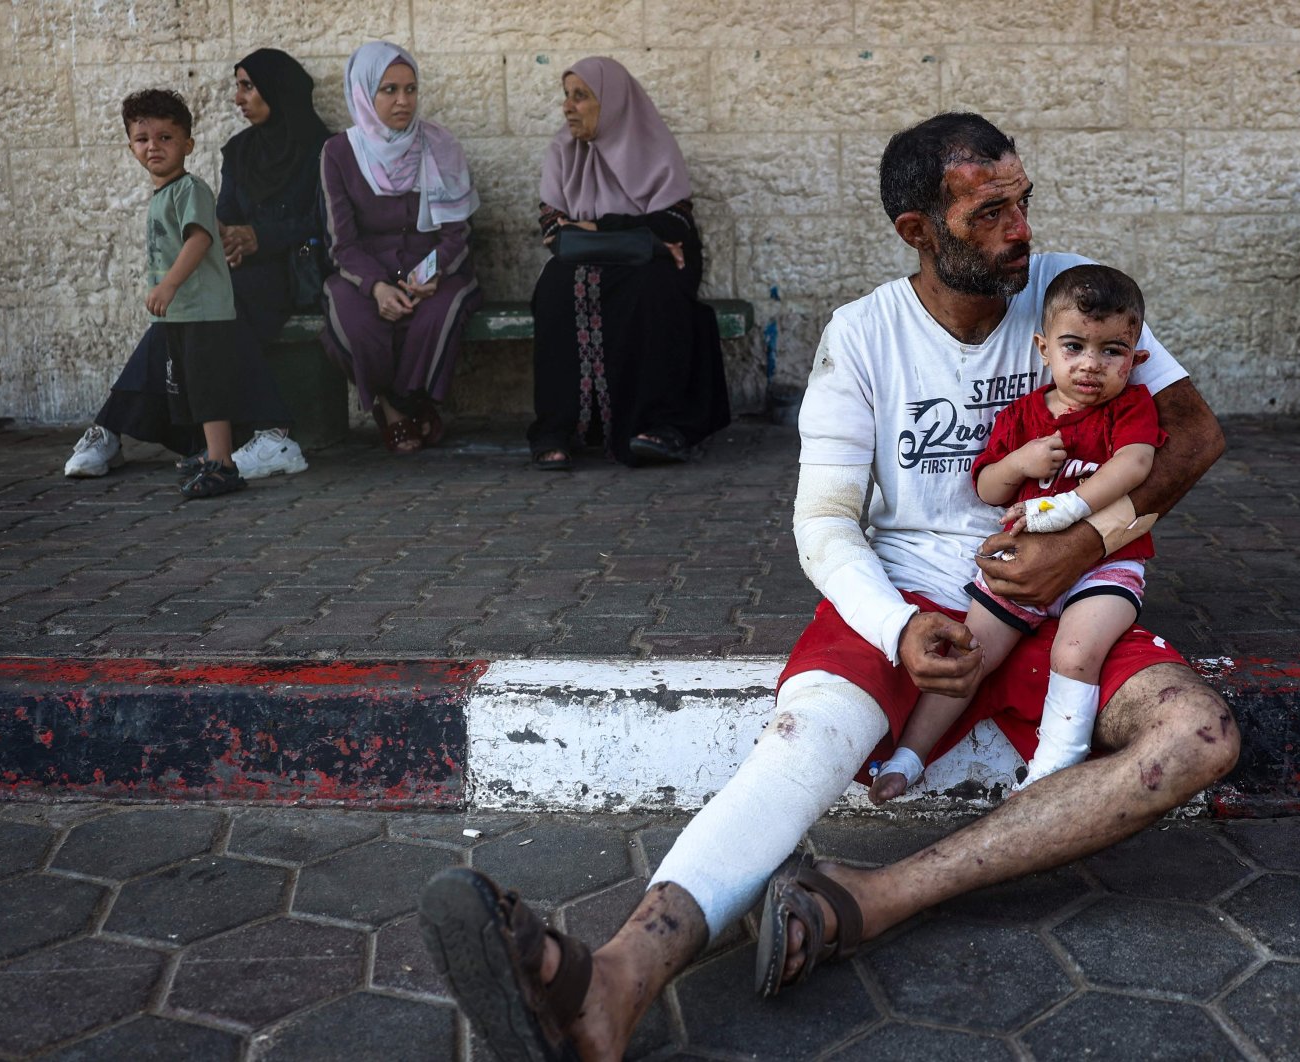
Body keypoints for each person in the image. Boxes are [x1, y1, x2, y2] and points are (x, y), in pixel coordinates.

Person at [419, 113, 1236, 1061]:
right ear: (917, 229)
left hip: (1064, 593)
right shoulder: (863, 335)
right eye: (989, 211)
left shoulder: (1076, 297)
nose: (1020, 229)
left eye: (1024, 201)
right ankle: (615, 980)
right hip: (906, 587)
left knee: (1200, 735)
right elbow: (824, 522)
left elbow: (1192, 435)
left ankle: (872, 897)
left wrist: (1084, 542)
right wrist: (896, 632)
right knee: (807, 736)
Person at [869, 264, 1164, 805]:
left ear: (1136, 356)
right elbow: (986, 486)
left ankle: (1054, 764)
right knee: (971, 651)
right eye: (1074, 347)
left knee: (1076, 652)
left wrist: (1071, 505)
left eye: (1112, 351)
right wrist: (1022, 461)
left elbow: (1136, 463)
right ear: (1043, 348)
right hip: (1021, 562)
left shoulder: (1130, 407)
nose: (1091, 366)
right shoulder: (1025, 415)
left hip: (1105, 565)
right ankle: (909, 755)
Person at [64, 49, 327, 481]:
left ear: (279, 90)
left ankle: (265, 432)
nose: (238, 98)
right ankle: (111, 430)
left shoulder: (323, 148)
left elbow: (324, 217)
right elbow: (224, 211)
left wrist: (261, 236)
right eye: (236, 86)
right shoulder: (240, 150)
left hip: (291, 272)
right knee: (185, 312)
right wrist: (227, 237)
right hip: (240, 266)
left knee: (215, 311)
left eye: (248, 86)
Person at [527, 56, 730, 470]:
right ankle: (560, 427)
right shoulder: (563, 151)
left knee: (652, 288)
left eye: (581, 96)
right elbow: (554, 230)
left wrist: (595, 227)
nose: (568, 107)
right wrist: (633, 236)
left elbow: (673, 227)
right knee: (555, 285)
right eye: (566, 96)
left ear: (613, 101)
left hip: (650, 269)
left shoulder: (653, 146)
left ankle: (655, 425)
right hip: (611, 260)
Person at [319, 41, 482, 454]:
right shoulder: (339, 153)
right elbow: (342, 242)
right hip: (366, 272)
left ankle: (410, 403)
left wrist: (427, 274)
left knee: (438, 312)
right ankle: (395, 408)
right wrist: (377, 286)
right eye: (389, 90)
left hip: (433, 269)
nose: (403, 101)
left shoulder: (439, 146)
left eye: (410, 89)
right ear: (364, 92)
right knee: (354, 320)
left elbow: (457, 233)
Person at [118, 89, 245, 498]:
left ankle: (223, 464)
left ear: (187, 144)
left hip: (202, 311)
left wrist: (169, 284)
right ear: (131, 145)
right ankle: (210, 452)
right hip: (180, 313)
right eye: (142, 139)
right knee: (187, 387)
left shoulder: (191, 189)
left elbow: (198, 240)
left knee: (207, 387)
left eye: (166, 137)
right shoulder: (164, 194)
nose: (153, 146)